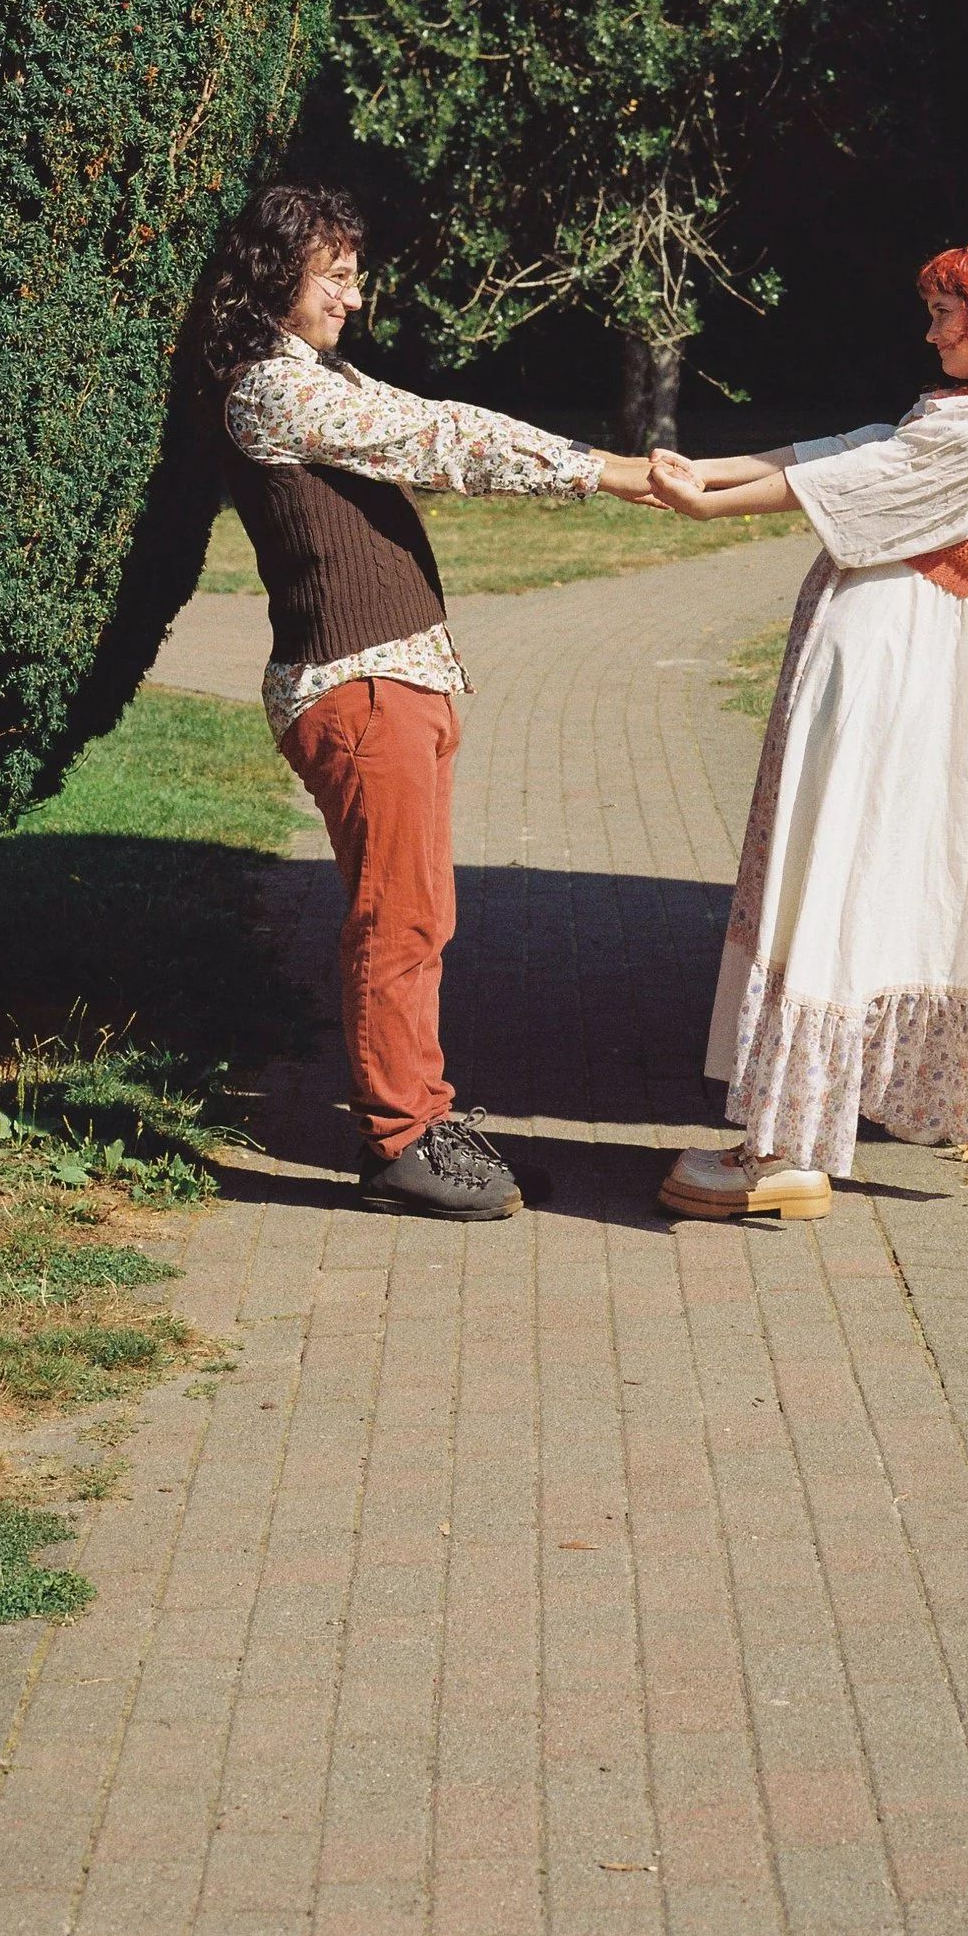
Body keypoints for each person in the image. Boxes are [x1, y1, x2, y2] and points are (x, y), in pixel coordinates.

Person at [201, 183, 657, 1222]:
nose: (353, 298)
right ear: (279, 275)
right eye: (336, 277)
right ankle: (398, 1141)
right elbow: (442, 436)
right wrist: (606, 473)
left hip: (396, 681)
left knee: (421, 915)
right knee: (396, 918)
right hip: (358, 688)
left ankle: (423, 1115)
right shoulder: (272, 390)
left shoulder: (312, 375)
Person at [645, 231, 968, 1222]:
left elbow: (841, 485)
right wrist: (701, 469)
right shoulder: (967, 416)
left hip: (880, 650)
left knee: (832, 858)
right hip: (883, 644)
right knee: (828, 857)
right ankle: (782, 1137)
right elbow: (840, 451)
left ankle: (787, 1151)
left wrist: (704, 508)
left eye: (946, 313)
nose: (930, 329)